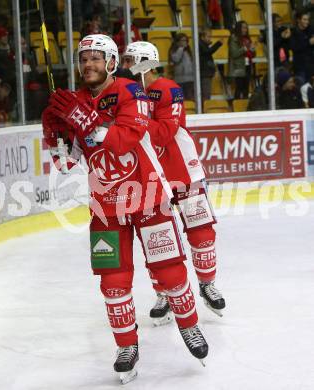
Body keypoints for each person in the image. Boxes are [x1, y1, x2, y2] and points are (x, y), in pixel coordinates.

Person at [41, 34, 208, 384]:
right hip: (105, 207)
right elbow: (67, 163)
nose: (89, 64)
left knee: (171, 272)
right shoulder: (73, 102)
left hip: (147, 197)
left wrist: (85, 121)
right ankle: (126, 346)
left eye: (96, 58)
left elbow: (126, 139)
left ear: (112, 62)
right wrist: (55, 135)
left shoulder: (132, 92)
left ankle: (189, 326)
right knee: (113, 283)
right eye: (83, 58)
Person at [122, 41, 226, 326]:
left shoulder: (168, 89)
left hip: (183, 170)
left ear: (145, 61)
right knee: (158, 240)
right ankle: (167, 293)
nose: (127, 65)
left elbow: (166, 131)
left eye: (131, 60)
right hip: (150, 176)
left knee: (200, 229)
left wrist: (135, 122)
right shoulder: (126, 94)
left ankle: (207, 284)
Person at [228, 20, 256, 99]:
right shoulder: (233, 38)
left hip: (247, 66)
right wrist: (245, 48)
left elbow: (252, 54)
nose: (245, 30)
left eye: (246, 28)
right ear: (238, 28)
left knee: (246, 89)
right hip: (238, 67)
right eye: (243, 28)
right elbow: (234, 54)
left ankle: (245, 108)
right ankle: (237, 108)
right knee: (239, 88)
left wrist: (252, 50)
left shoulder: (247, 39)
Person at [199, 27, 223, 101]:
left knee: (207, 94)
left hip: (207, 73)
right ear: (202, 37)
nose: (210, 38)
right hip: (204, 73)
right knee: (206, 95)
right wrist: (218, 44)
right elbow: (207, 52)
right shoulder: (200, 44)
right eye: (208, 36)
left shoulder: (203, 45)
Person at [290, 10, 314, 83]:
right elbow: (295, 47)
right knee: (301, 88)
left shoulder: (311, 30)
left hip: (311, 66)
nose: (307, 22)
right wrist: (309, 42)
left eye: (308, 20)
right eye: (304, 19)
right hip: (300, 67)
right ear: (298, 20)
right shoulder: (293, 32)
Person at [169, 33, 194, 100]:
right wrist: (181, 49)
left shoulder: (188, 51)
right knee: (181, 100)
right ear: (177, 42)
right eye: (182, 40)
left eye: (185, 40)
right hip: (179, 80)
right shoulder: (174, 50)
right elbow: (176, 59)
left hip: (190, 79)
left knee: (190, 99)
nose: (184, 42)